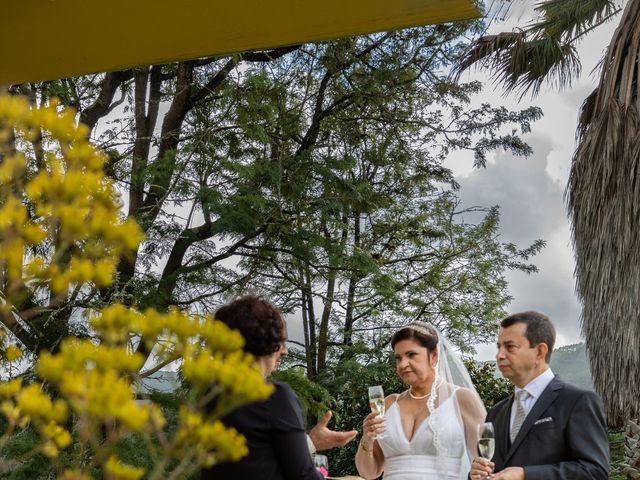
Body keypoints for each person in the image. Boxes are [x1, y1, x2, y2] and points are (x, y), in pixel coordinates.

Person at [202, 295, 354, 479]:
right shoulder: (275, 396)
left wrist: (311, 441)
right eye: (280, 341)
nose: (285, 350)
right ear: (265, 341)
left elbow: (257, 461)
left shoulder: (209, 398)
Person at [470, 311, 609, 480]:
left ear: (539, 352)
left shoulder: (578, 401)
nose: (499, 355)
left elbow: (595, 472)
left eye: (510, 347)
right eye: (499, 347)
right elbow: (491, 468)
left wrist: (525, 475)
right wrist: (476, 474)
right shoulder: (495, 413)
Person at [355, 321, 486, 479]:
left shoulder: (462, 399)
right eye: (398, 358)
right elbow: (368, 473)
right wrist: (367, 438)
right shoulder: (389, 404)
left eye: (411, 355)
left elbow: (487, 461)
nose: (403, 364)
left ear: (434, 355)